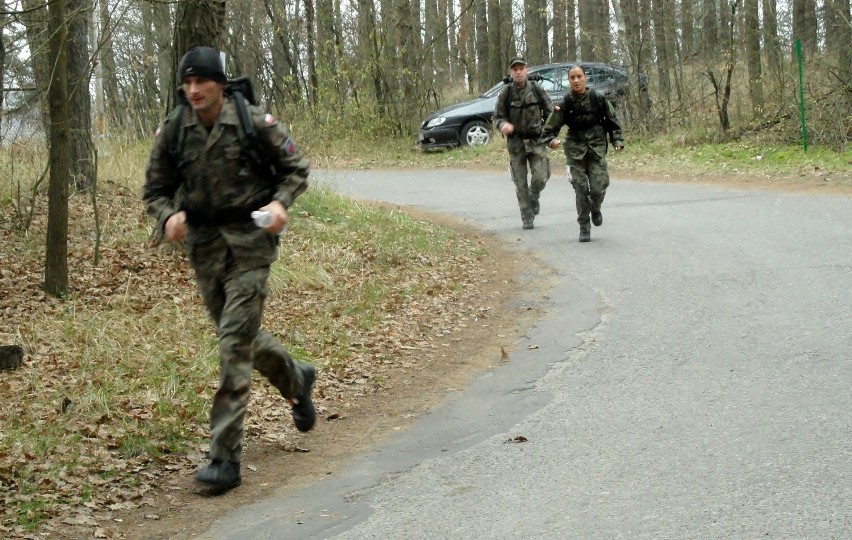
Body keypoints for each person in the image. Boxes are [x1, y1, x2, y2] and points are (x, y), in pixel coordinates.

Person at [143, 46, 316, 492]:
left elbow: (295, 168)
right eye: (188, 82)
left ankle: (224, 458)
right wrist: (167, 218)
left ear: (220, 83)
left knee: (233, 346)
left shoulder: (252, 121)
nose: (194, 90)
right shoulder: (174, 131)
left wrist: (280, 203)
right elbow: (155, 190)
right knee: (238, 335)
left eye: (202, 81)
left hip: (251, 245)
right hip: (205, 249)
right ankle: (297, 379)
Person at [542, 64, 624, 242]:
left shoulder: (598, 98)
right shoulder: (565, 103)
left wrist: (617, 140)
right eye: (572, 78)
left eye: (579, 76)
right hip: (575, 150)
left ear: (585, 77)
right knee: (580, 189)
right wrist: (552, 141)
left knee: (599, 187)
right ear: (569, 81)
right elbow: (549, 128)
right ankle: (584, 227)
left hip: (596, 148)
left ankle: (595, 208)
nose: (576, 80)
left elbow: (613, 121)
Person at [493, 56, 554, 230]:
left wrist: (551, 134)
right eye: (515, 69)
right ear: (511, 72)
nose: (519, 72)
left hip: (536, 140)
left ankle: (534, 196)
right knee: (520, 183)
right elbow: (498, 117)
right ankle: (527, 216)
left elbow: (550, 113)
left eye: (521, 68)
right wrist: (503, 125)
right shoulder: (506, 93)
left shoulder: (537, 89)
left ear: (527, 70)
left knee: (541, 177)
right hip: (516, 144)